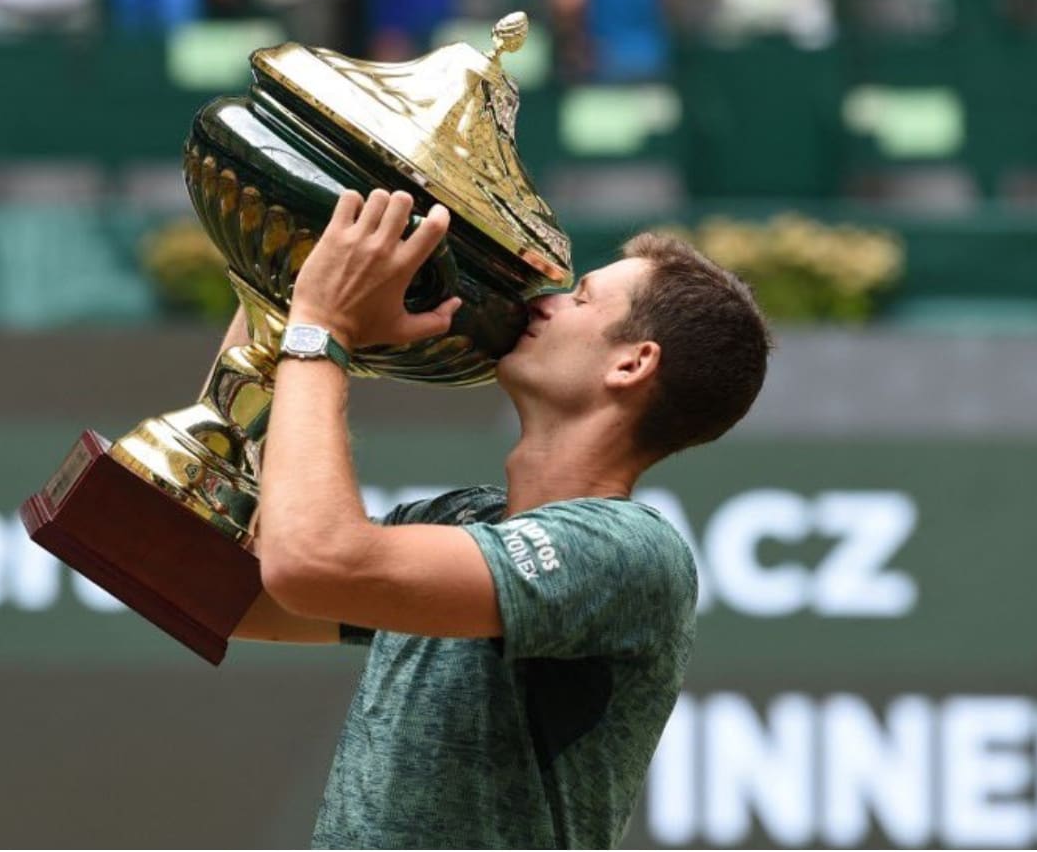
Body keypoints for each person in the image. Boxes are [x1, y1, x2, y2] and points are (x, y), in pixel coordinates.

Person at [224, 188, 772, 848]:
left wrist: (323, 330)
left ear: (633, 362)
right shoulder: (464, 519)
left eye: (581, 297)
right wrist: (278, 298)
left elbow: (313, 563)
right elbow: (216, 595)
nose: (543, 301)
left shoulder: (630, 552)